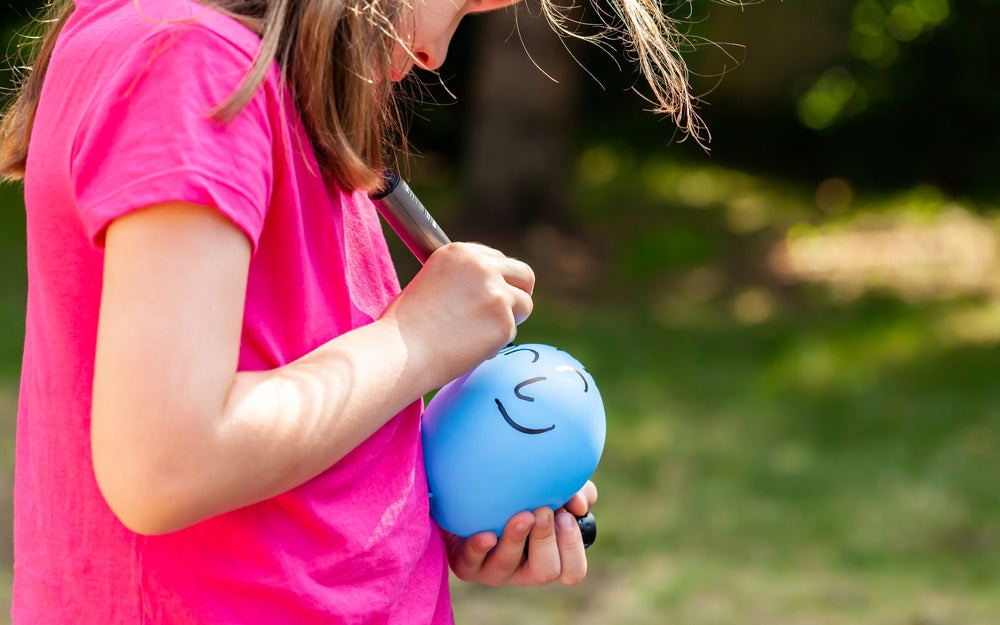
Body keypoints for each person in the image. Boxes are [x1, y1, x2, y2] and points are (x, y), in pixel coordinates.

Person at [0, 0, 701, 621]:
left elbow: (280, 403)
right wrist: (414, 339)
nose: (435, 55)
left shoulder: (257, 79)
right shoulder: (190, 62)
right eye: (457, 10)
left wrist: (438, 502)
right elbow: (166, 462)